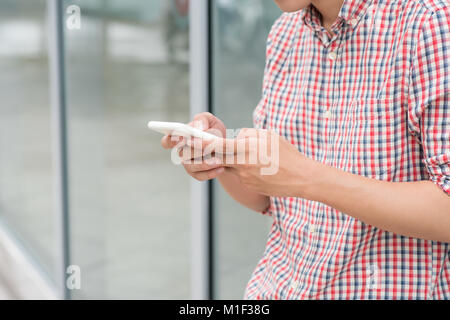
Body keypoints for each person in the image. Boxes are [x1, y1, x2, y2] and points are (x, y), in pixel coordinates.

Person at [161, 0, 450, 299]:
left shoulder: (429, 22)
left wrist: (307, 178)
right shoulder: (285, 33)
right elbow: (270, 199)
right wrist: (218, 154)